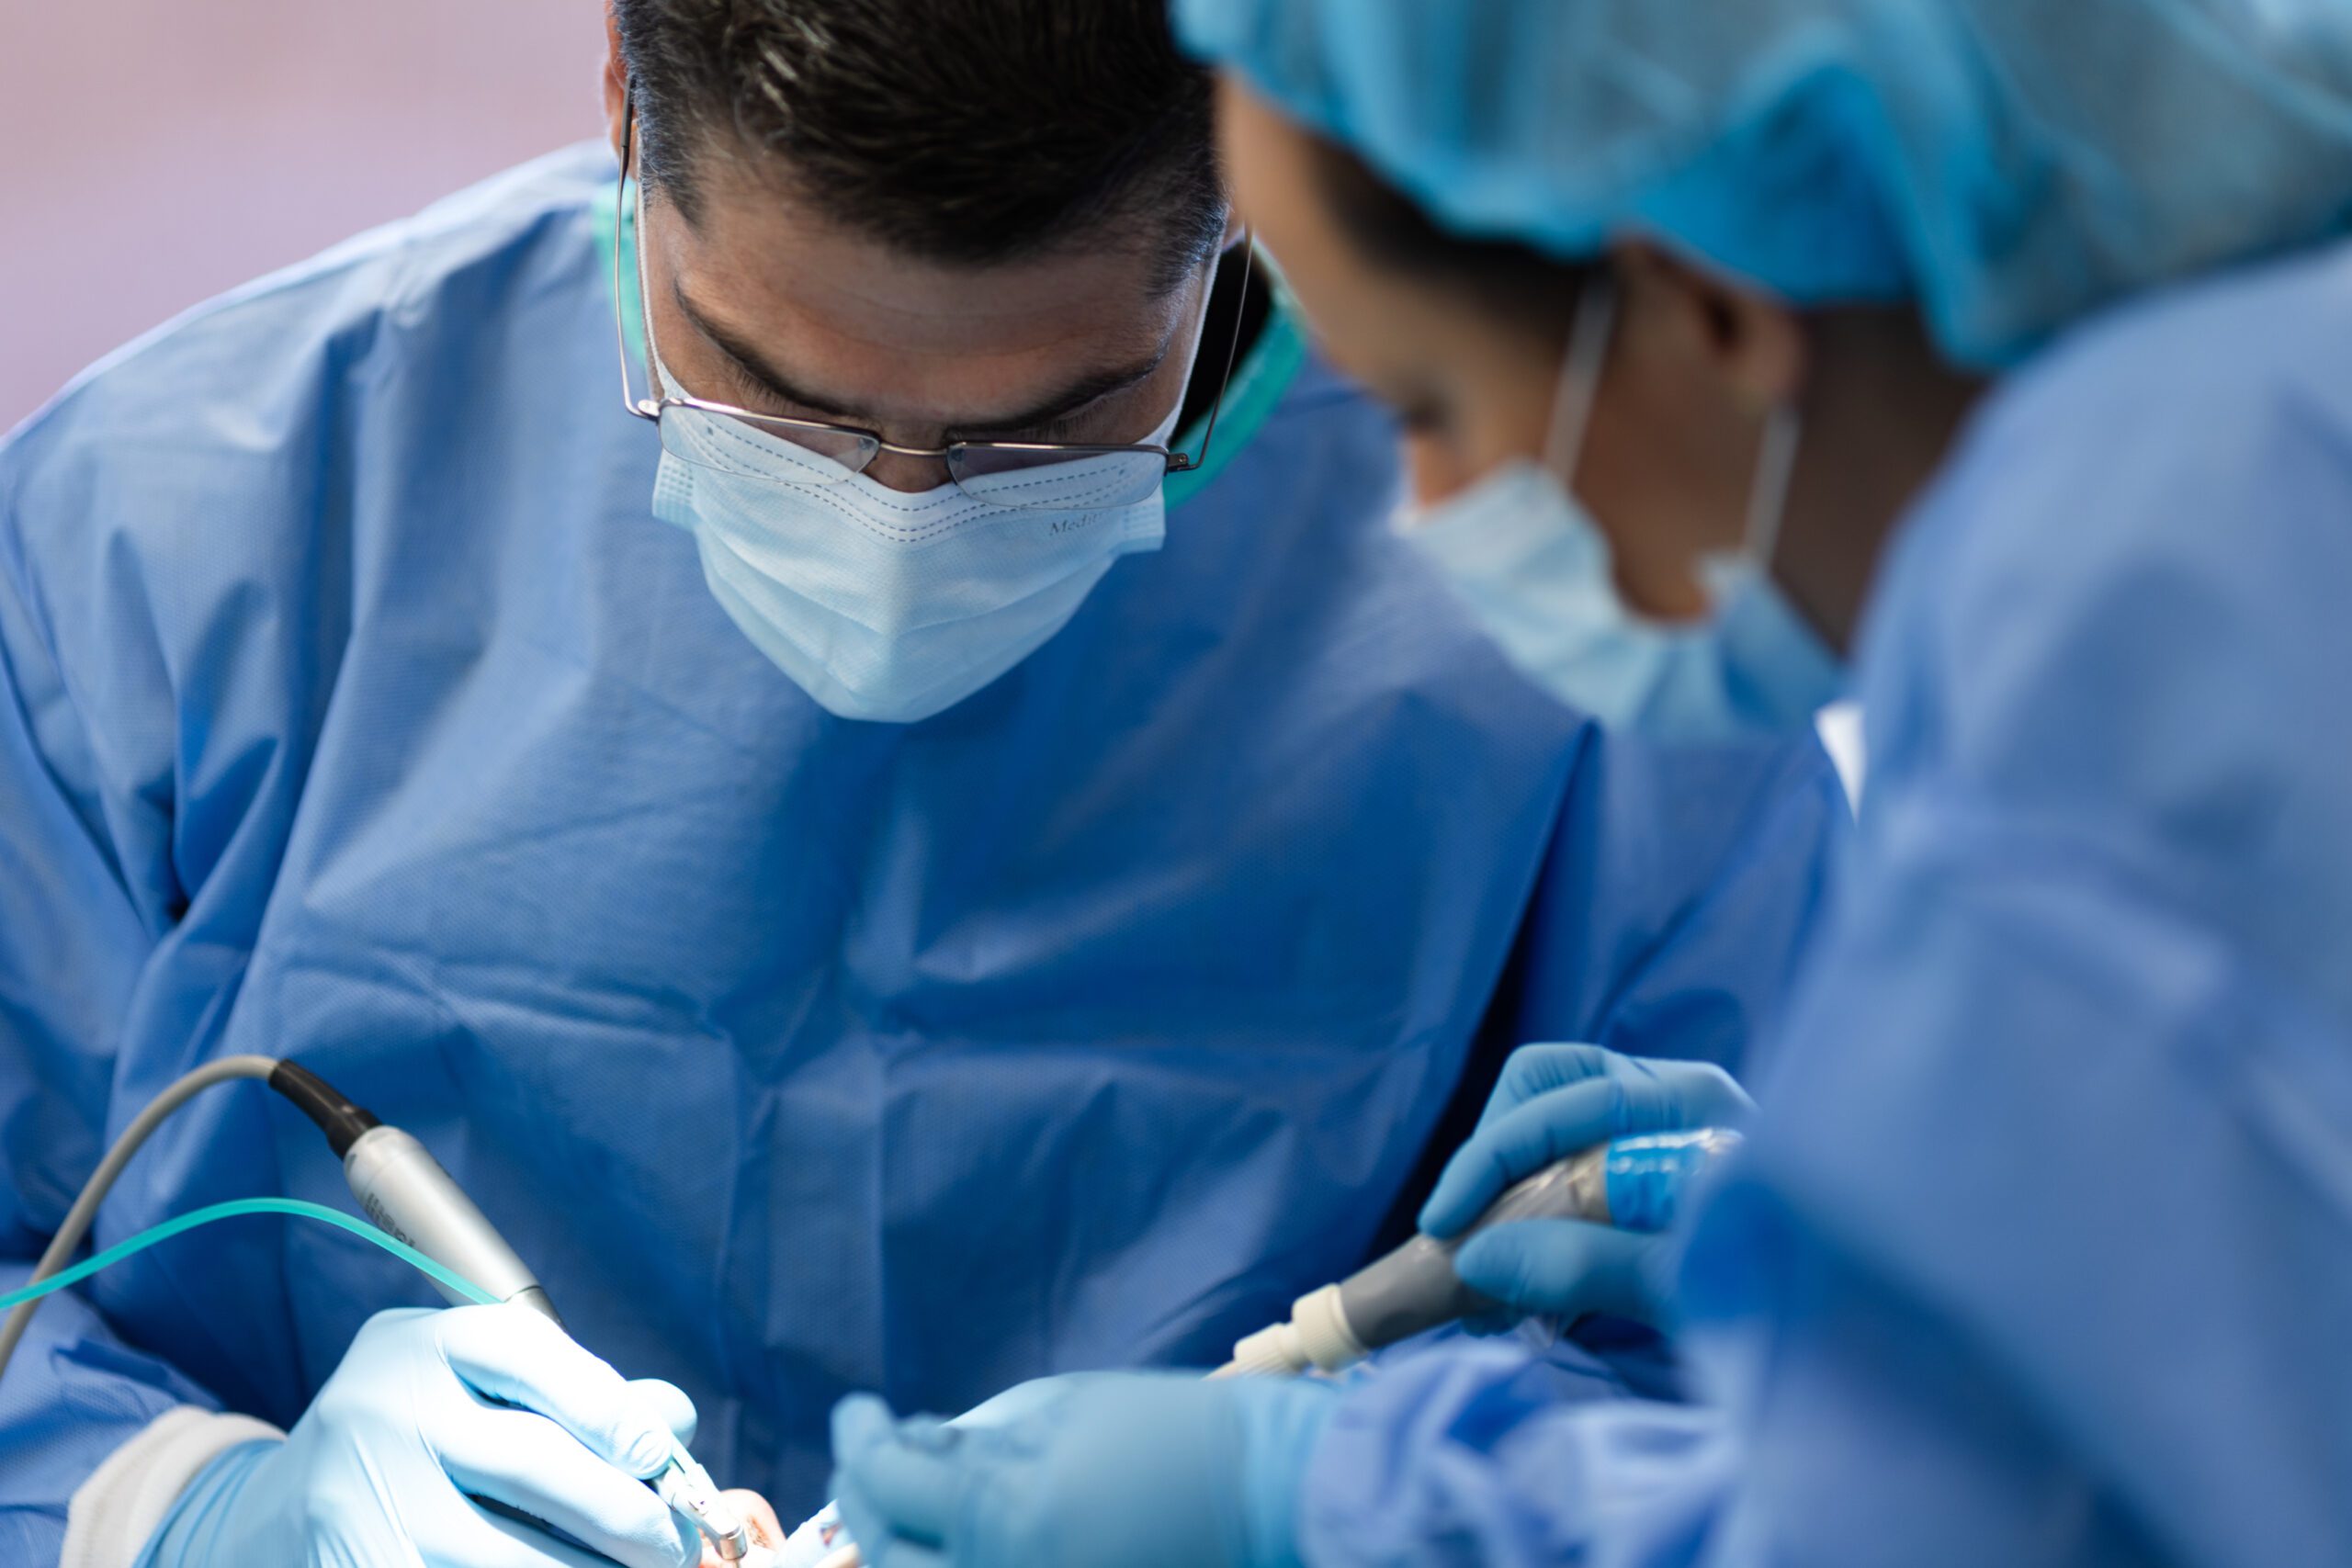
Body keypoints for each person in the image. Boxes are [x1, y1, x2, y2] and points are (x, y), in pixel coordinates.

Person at [0, 2, 1847, 1563]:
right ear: (627, 108)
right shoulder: (173, 534)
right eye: (765, 385)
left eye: (1046, 426)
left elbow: (1782, 1347)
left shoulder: (1585, 579)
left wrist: (1347, 1499)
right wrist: (173, 1500)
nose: (894, 523)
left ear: (1252, 187)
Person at [827, 2, 2352, 1564]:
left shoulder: (2138, 620)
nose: (1421, 511)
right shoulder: (2257, 434)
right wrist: (1981, 1262)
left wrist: (1325, 1502)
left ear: (1709, 313)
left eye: (1429, 406)